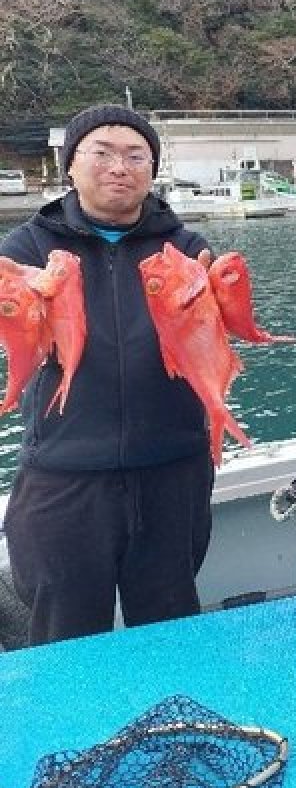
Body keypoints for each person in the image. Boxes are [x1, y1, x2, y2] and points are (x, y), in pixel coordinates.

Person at [1, 105, 215, 647]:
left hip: (172, 469)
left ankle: (172, 726)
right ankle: (67, 733)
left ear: (152, 169)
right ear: (70, 164)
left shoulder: (185, 249)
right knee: (65, 635)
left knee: (169, 626)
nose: (119, 166)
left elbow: (212, 338)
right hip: (65, 475)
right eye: (102, 152)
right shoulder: (27, 249)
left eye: (135, 155)